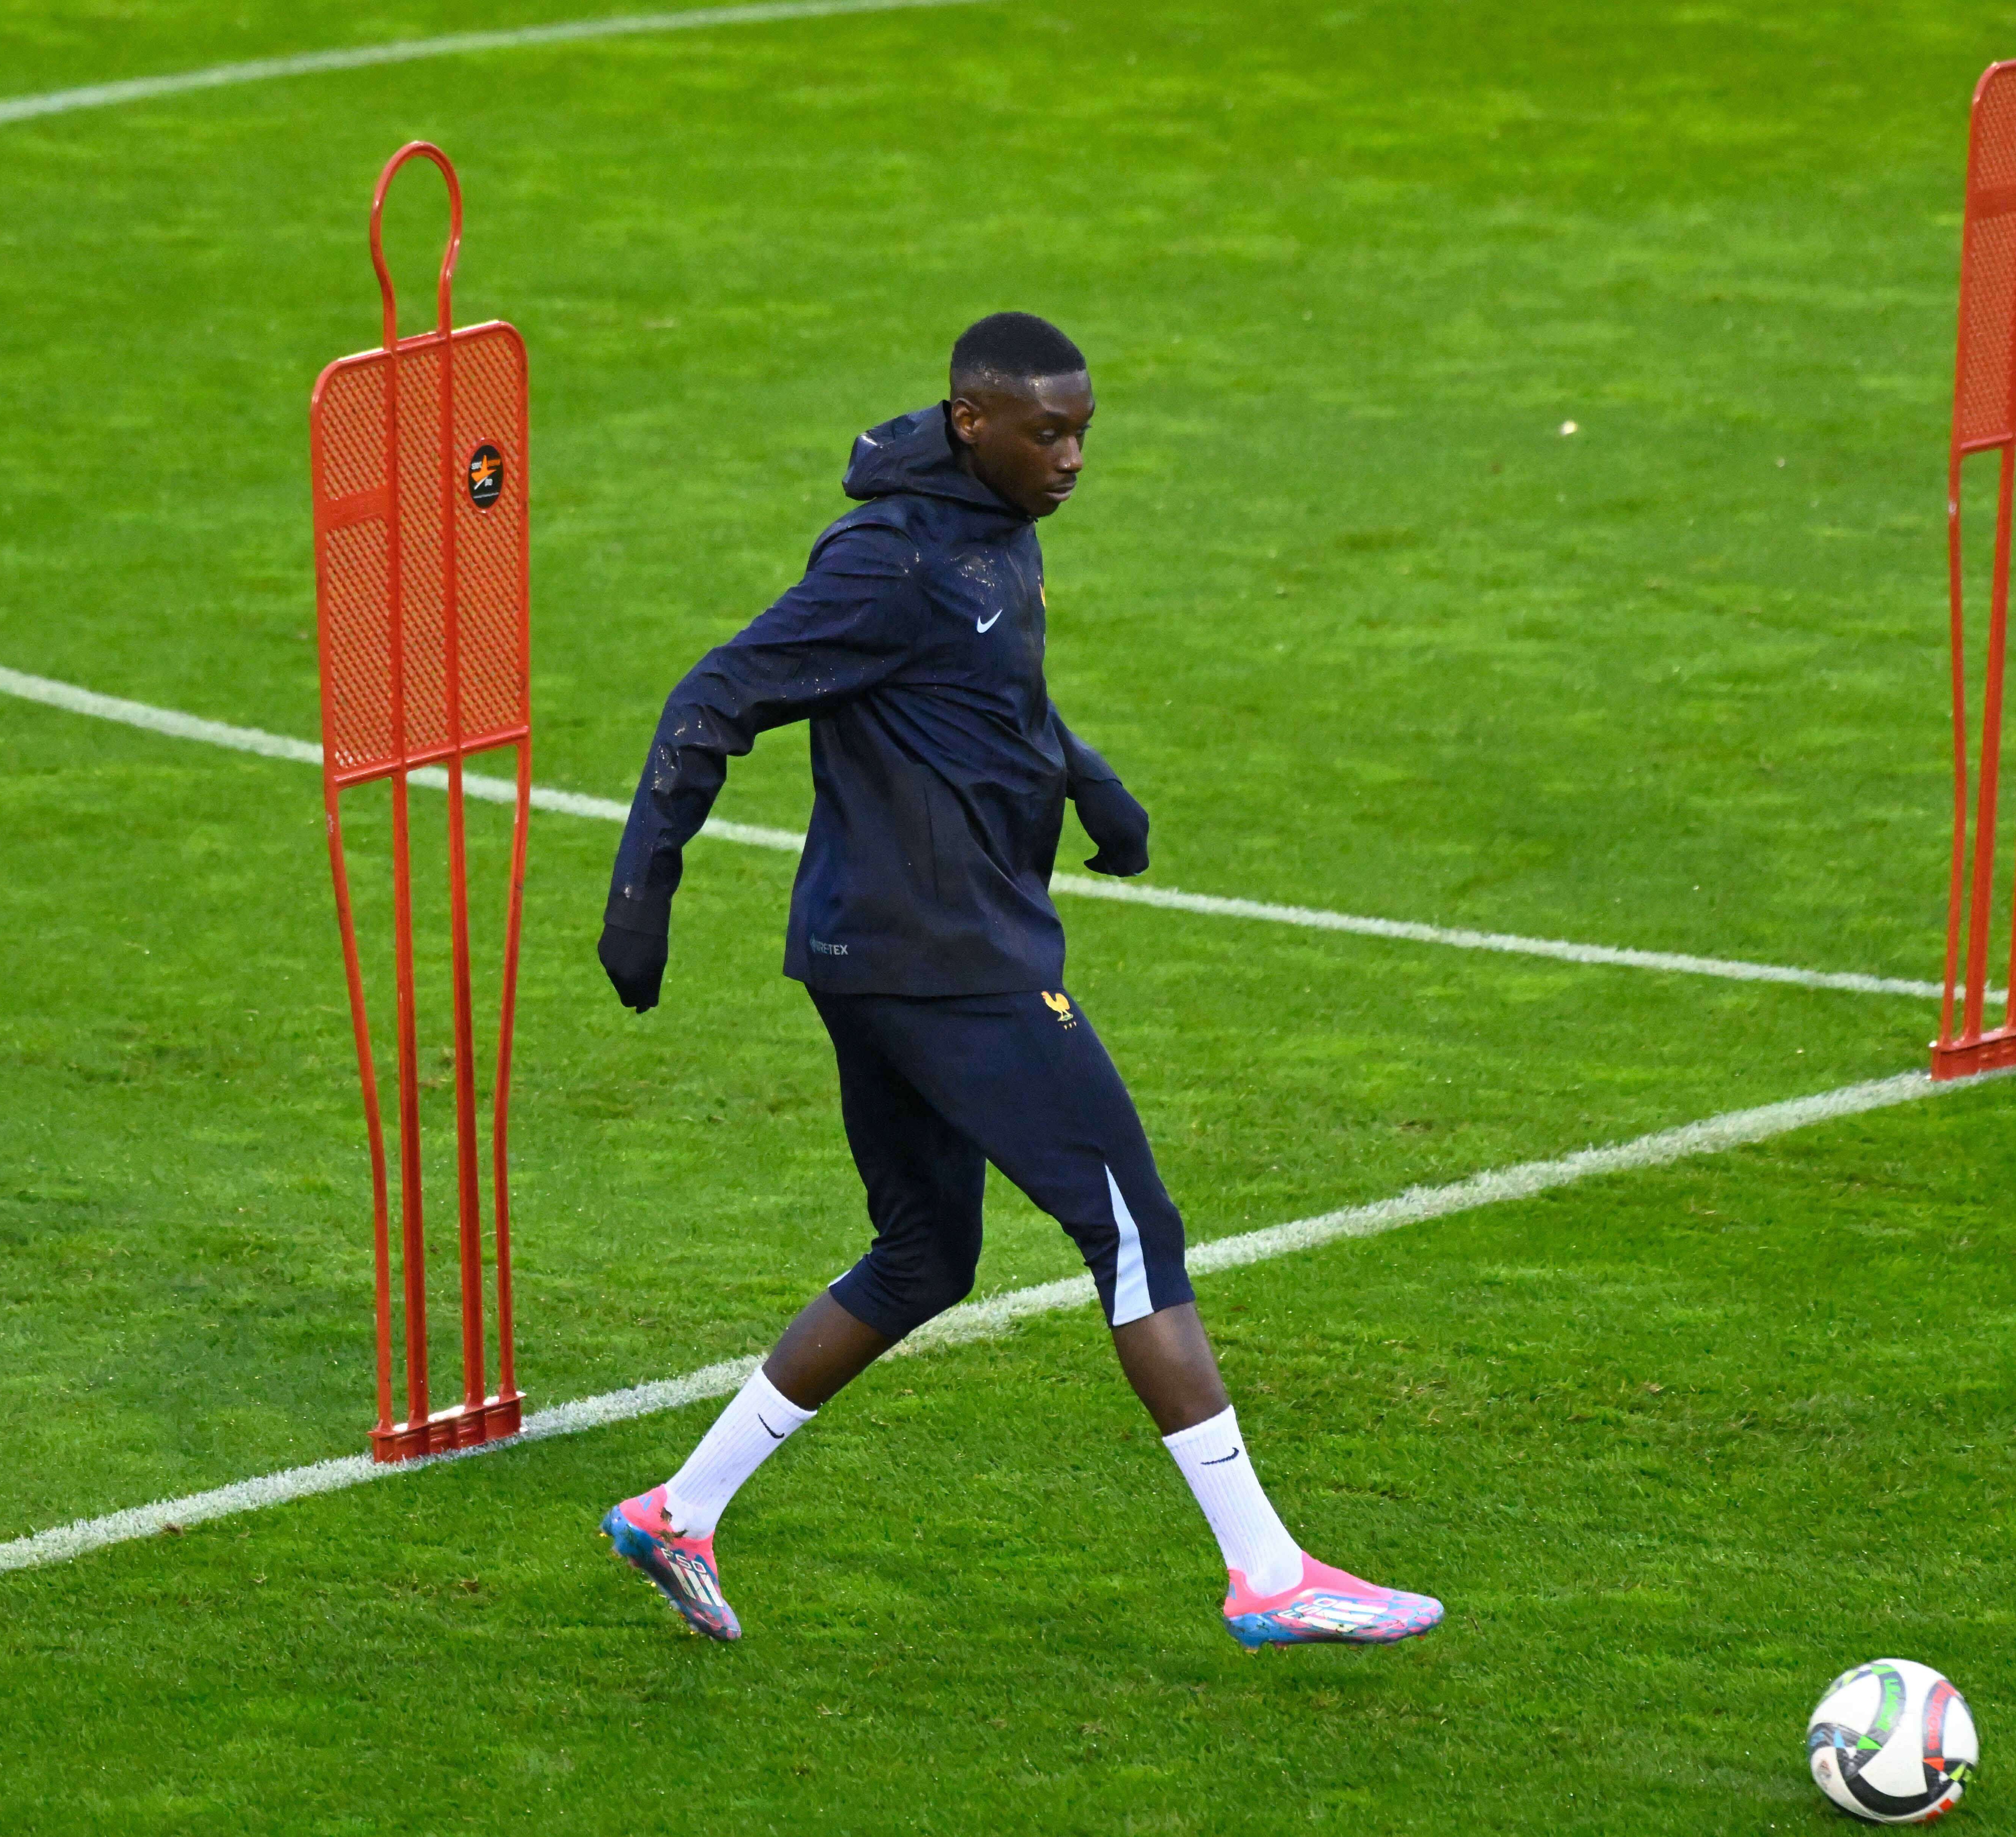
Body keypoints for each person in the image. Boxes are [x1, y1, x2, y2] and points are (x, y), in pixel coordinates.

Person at [592, 311, 1442, 1651]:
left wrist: (1098, 794)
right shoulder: (890, 563)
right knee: (1136, 1234)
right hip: (949, 963)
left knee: (925, 1254)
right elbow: (715, 695)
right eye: (1049, 431)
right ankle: (1269, 1574)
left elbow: (1000, 696)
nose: (1075, 456)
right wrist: (644, 893)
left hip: (875, 954)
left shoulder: (992, 528)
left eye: (1086, 428)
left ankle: (677, 1512)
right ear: (972, 421)